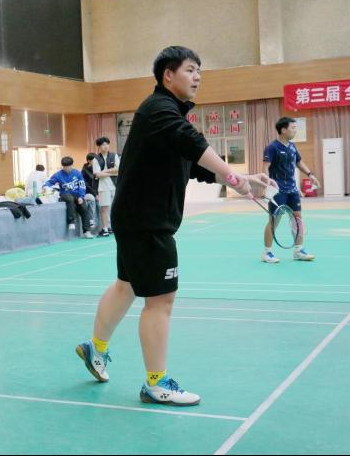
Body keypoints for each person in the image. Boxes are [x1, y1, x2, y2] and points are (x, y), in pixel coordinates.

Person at [75, 46, 272, 406]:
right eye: (190, 70)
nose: (197, 77)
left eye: (200, 71)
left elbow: (194, 164)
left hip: (135, 217)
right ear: (168, 75)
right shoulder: (159, 109)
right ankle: (156, 383)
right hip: (148, 221)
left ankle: (95, 347)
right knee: (161, 300)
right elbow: (193, 144)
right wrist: (235, 177)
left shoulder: (166, 114)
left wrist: (244, 177)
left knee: (126, 285)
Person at [261, 116, 320, 263]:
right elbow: (265, 167)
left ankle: (298, 250)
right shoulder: (272, 147)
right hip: (278, 191)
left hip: (292, 190)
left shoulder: (292, 147)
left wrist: (310, 175)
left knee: (297, 219)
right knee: (274, 220)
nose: (295, 130)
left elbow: (299, 162)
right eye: (293, 128)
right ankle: (267, 253)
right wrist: (267, 185)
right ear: (283, 130)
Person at [43, 157, 93, 239]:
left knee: (83, 207)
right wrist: (45, 186)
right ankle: (71, 221)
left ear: (72, 165)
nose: (66, 168)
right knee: (70, 199)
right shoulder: (58, 174)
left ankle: (87, 231)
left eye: (68, 166)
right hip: (65, 194)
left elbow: (82, 186)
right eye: (64, 167)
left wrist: (81, 197)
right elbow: (50, 182)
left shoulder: (77, 173)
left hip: (77, 194)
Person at [92, 137, 120, 237]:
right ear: (99, 146)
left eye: (107, 144)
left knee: (115, 207)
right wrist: (112, 172)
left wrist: (104, 171)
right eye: (103, 144)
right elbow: (97, 174)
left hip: (114, 185)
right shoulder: (96, 159)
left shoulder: (114, 155)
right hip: (103, 187)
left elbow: (118, 170)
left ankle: (112, 227)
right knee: (104, 208)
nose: (106, 146)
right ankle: (105, 228)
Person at [81, 153, 99, 229]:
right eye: (94, 161)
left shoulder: (98, 169)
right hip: (87, 192)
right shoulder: (84, 171)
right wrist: (95, 194)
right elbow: (86, 185)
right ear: (88, 161)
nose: (96, 162)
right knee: (91, 199)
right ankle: (91, 220)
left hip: (98, 192)